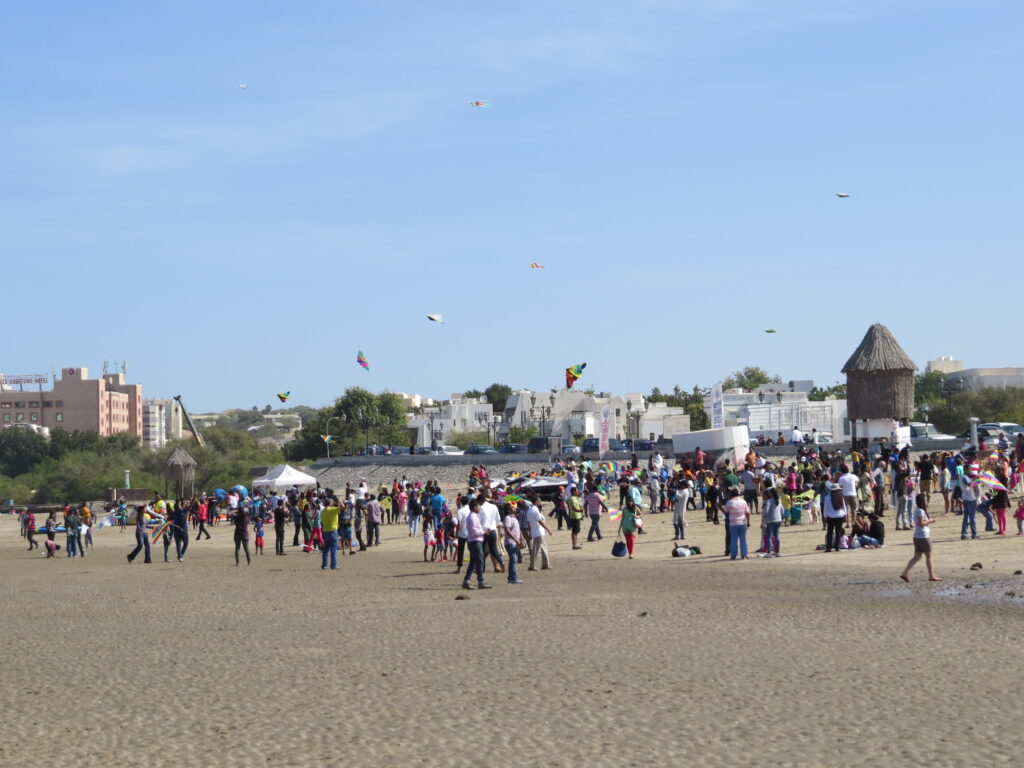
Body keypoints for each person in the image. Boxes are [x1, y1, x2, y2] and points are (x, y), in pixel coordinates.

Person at [900, 493, 940, 582]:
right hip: (923, 536)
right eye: (925, 500)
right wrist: (931, 521)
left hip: (918, 536)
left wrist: (928, 520)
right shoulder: (920, 511)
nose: (926, 501)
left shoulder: (917, 510)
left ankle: (905, 573)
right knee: (929, 556)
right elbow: (921, 523)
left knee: (917, 557)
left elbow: (920, 522)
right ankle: (931, 576)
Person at [461, 500, 491, 590]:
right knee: (480, 561)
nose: (480, 508)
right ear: (474, 507)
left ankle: (466, 581)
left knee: (473, 562)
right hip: (475, 541)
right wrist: (484, 532)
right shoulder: (472, 517)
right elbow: (475, 531)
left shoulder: (472, 517)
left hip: (474, 540)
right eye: (478, 506)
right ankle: (480, 581)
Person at [722, 489, 749, 560]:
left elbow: (725, 511)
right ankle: (744, 554)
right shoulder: (743, 501)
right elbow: (747, 512)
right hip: (743, 522)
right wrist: (748, 521)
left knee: (733, 540)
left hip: (733, 523)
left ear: (731, 495)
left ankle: (733, 555)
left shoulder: (729, 502)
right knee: (743, 539)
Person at [526, 499, 552, 571]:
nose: (540, 502)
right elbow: (540, 521)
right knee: (537, 549)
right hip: (538, 532)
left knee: (541, 548)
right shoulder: (534, 510)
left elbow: (528, 523)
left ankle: (544, 564)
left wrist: (530, 531)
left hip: (536, 532)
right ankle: (533, 565)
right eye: (539, 501)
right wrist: (548, 529)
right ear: (535, 502)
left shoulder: (529, 510)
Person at [502, 504, 525, 584]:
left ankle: (511, 577)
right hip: (510, 542)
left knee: (513, 559)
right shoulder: (508, 518)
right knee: (513, 559)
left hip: (515, 542)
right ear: (508, 510)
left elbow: (518, 529)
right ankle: (513, 578)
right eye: (512, 507)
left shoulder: (514, 517)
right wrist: (515, 539)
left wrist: (521, 538)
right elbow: (507, 530)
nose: (514, 508)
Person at [823, 482, 847, 552]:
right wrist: (845, 515)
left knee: (830, 532)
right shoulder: (841, 497)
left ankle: (829, 547)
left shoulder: (827, 497)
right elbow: (844, 507)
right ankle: (837, 547)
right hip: (840, 516)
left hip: (831, 517)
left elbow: (825, 508)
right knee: (838, 532)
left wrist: (824, 516)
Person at [760, 487, 782, 557]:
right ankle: (777, 552)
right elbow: (782, 510)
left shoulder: (769, 501)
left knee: (769, 536)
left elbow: (765, 511)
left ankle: (769, 552)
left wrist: (763, 515)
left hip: (770, 520)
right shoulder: (779, 500)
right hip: (778, 519)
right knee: (777, 536)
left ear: (771, 493)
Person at [320, 496, 340, 570]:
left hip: (325, 531)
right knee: (333, 549)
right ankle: (333, 565)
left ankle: (324, 565)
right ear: (330, 503)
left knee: (326, 550)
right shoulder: (333, 510)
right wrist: (339, 501)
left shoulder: (322, 512)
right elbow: (343, 507)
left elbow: (321, 522)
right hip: (333, 531)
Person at [618, 494, 640, 559]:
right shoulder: (624, 509)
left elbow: (641, 514)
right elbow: (622, 518)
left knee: (631, 539)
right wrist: (619, 528)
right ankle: (630, 553)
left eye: (631, 501)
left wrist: (637, 516)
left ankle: (631, 554)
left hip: (632, 525)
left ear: (633, 501)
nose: (630, 502)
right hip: (625, 525)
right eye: (628, 501)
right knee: (628, 540)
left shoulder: (635, 507)